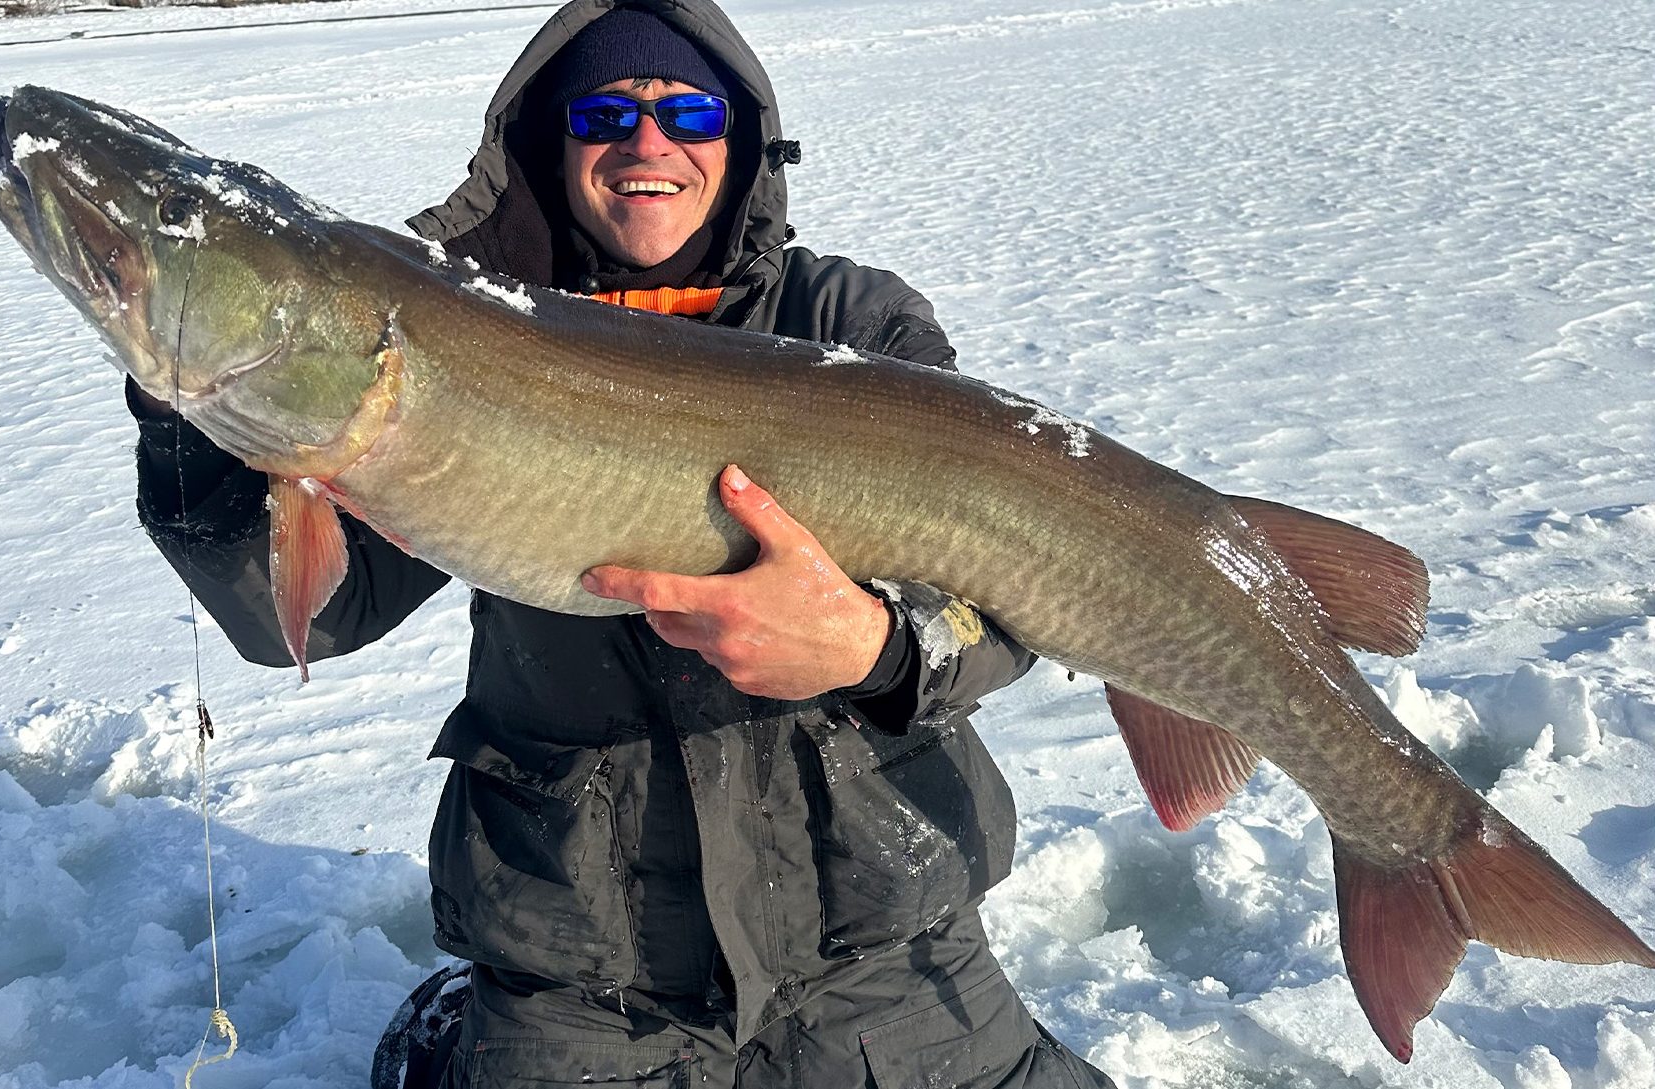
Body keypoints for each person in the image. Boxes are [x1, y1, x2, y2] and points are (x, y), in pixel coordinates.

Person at [129, 2, 1117, 1086]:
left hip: (880, 947)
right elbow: (305, 616)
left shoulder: (854, 324)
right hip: (583, 975)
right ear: (551, 145)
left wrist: (876, 650)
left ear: (742, 142)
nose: (647, 145)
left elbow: (1020, 600)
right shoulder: (458, 337)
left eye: (687, 112)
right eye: (604, 113)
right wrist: (196, 429)